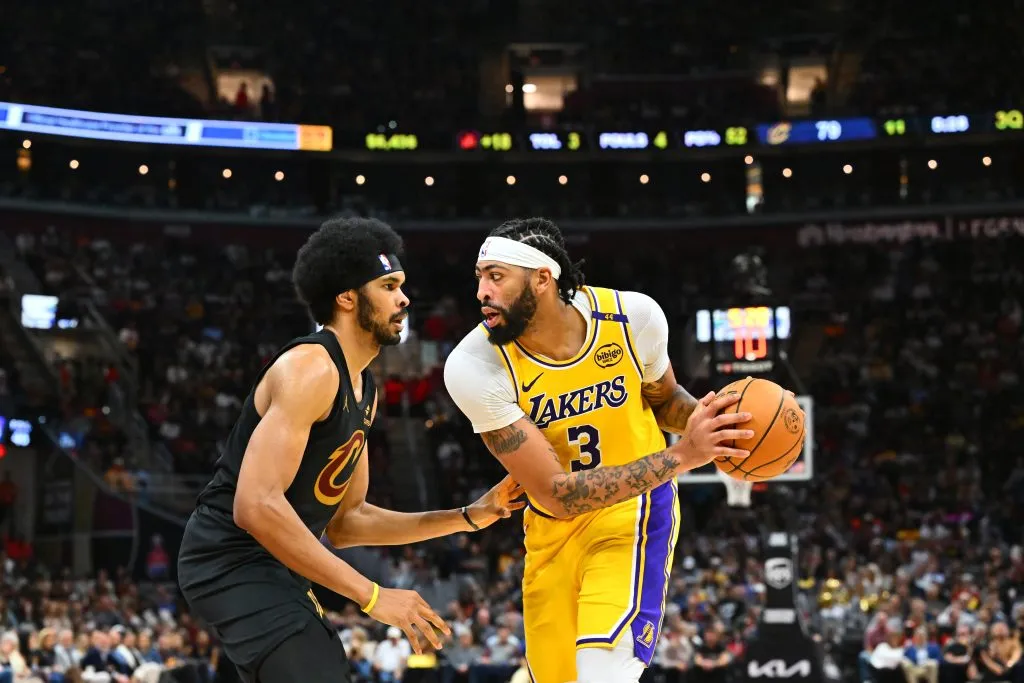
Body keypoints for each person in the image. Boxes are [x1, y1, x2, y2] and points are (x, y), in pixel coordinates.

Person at [178, 217, 524, 683]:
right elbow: (255, 506)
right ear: (346, 298)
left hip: (275, 565)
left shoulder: (365, 387)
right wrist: (375, 596)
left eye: (401, 285)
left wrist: (466, 515)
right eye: (388, 286)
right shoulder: (310, 369)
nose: (403, 298)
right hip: (229, 559)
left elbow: (348, 522)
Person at [443, 217, 754, 683]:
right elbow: (555, 494)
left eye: (496, 277)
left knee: (602, 674)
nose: (481, 292)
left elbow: (665, 402)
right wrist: (684, 455)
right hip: (551, 532)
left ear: (543, 279)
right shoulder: (475, 365)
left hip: (634, 515)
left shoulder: (633, 318)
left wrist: (718, 428)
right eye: (479, 277)